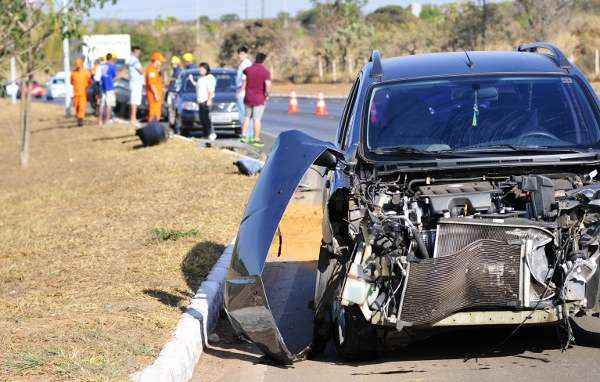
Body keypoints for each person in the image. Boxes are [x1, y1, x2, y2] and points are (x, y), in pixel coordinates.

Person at [241, 52, 272, 147]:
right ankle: (256, 138)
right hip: (259, 98)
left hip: (248, 97)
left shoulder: (249, 69)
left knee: (246, 117)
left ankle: (243, 136)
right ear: (263, 61)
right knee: (257, 119)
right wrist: (267, 94)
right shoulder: (265, 72)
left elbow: (244, 72)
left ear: (255, 59)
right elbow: (268, 85)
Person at [188, 62, 216, 140]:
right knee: (202, 119)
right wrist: (191, 80)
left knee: (207, 118)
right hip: (200, 102)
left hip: (206, 101)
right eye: (200, 69)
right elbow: (197, 86)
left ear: (206, 69)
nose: (200, 70)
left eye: (202, 69)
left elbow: (211, 90)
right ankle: (205, 134)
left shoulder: (210, 78)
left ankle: (212, 133)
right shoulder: (201, 78)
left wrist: (209, 100)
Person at [236, 46, 252, 138]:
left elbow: (245, 79)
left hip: (243, 92)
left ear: (246, 54)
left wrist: (241, 91)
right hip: (241, 90)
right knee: (243, 114)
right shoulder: (242, 64)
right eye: (239, 54)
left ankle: (248, 135)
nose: (240, 55)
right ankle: (246, 134)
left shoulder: (246, 64)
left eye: (242, 54)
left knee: (244, 115)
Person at [145, 52, 166, 122]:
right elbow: (151, 84)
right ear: (156, 61)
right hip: (153, 96)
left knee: (157, 113)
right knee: (153, 113)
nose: (161, 64)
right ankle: (152, 128)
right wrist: (156, 94)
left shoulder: (155, 70)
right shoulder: (151, 70)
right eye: (160, 62)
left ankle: (155, 127)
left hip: (157, 96)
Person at [70, 58, 91, 127]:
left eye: (79, 64)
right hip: (76, 94)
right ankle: (79, 119)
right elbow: (71, 82)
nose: (78, 66)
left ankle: (80, 121)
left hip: (83, 94)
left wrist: (87, 88)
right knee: (77, 108)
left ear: (82, 64)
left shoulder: (86, 72)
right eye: (76, 65)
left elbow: (89, 81)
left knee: (82, 107)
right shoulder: (73, 73)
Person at [98, 53, 117, 126]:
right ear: (111, 59)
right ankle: (107, 121)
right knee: (109, 104)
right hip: (110, 88)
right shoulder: (111, 67)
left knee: (102, 105)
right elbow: (113, 77)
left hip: (102, 88)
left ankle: (100, 121)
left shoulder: (102, 66)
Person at [128, 46, 144, 127]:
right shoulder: (135, 60)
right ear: (134, 52)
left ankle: (133, 118)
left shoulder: (131, 59)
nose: (139, 54)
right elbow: (141, 71)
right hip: (136, 84)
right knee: (135, 102)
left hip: (134, 83)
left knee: (134, 101)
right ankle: (133, 119)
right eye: (138, 52)